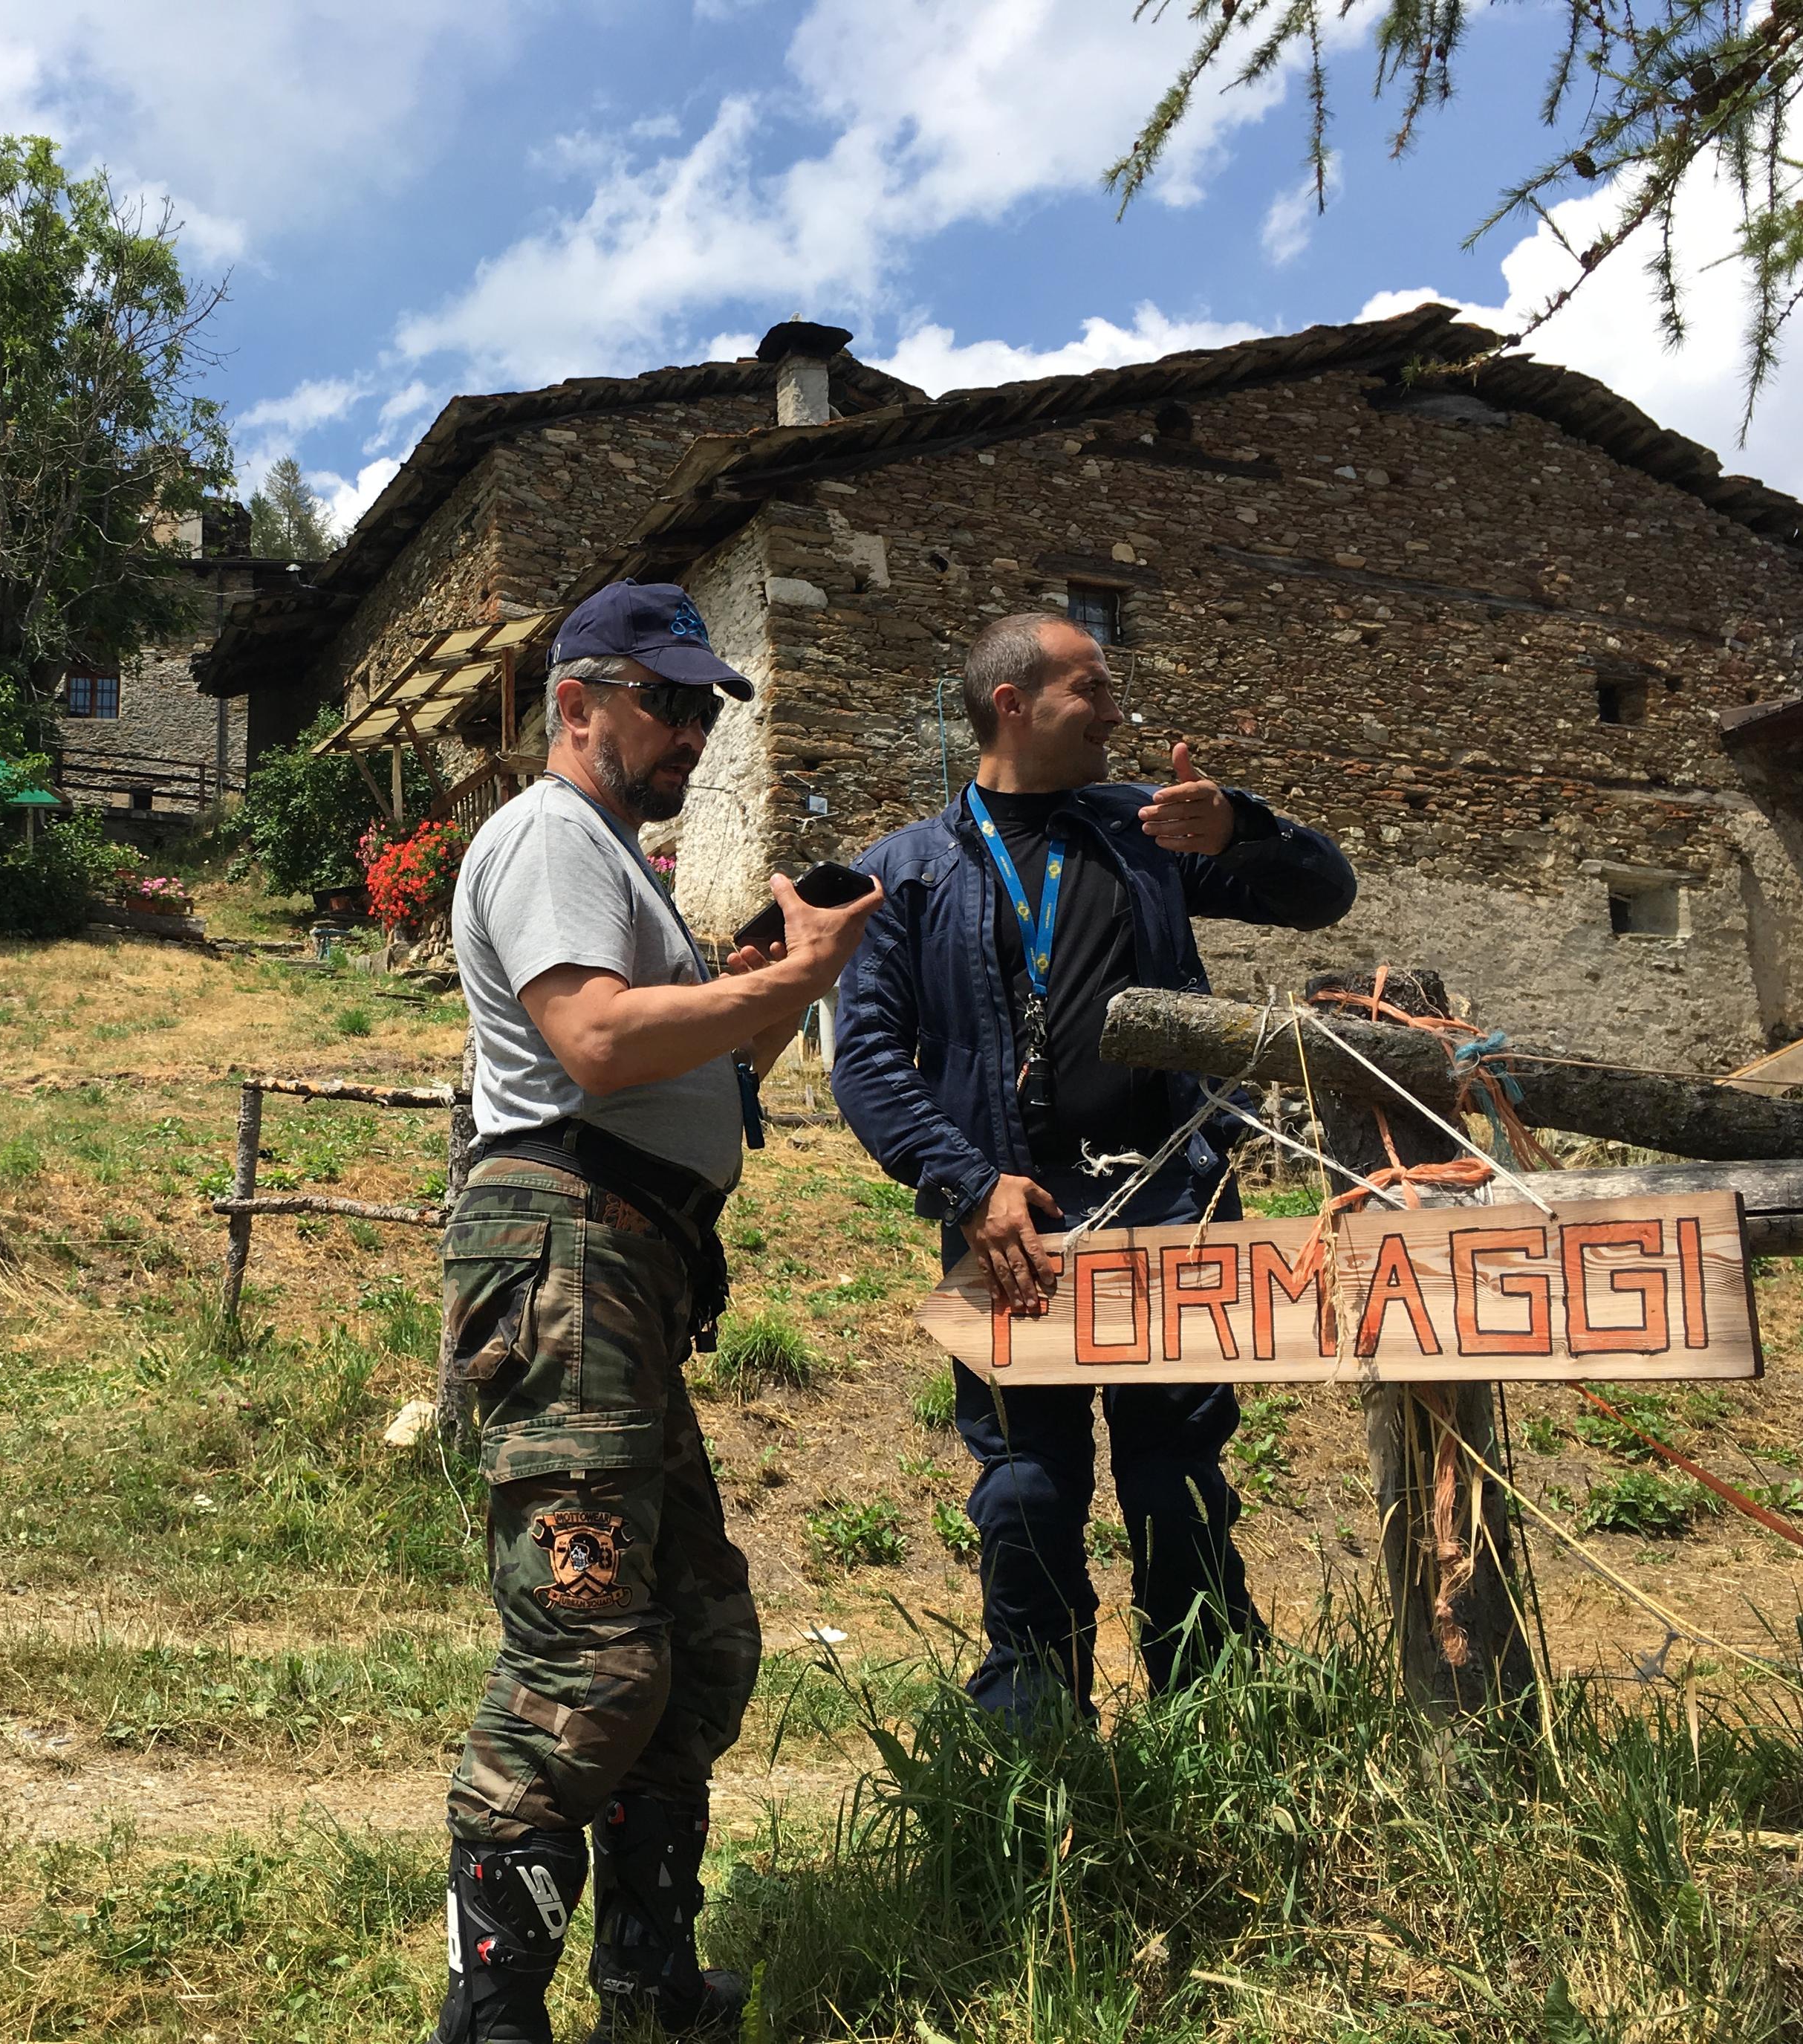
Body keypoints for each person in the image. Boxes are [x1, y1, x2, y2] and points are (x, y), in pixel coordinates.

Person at [431, 580, 885, 2044]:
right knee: (590, 1653)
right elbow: (596, 1039)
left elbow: (691, 1057)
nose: (693, 731)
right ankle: (491, 2014)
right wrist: (789, 976)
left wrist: (761, 985)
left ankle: (649, 1986)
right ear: (576, 705)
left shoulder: (615, 866)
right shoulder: (551, 835)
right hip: (571, 1249)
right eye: (668, 703)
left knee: (692, 1639)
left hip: (623, 1266)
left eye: (704, 710)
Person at [833, 612, 1356, 1723]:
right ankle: (1033, 1726)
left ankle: (1211, 1705)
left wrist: (1244, 828)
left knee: (1177, 1470)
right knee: (1026, 1484)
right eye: (1093, 690)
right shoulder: (906, 872)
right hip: (1012, 1223)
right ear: (1013, 704)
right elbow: (867, 1059)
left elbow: (1321, 896)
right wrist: (968, 1186)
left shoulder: (1149, 829)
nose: (1117, 713)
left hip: (1170, 1204)